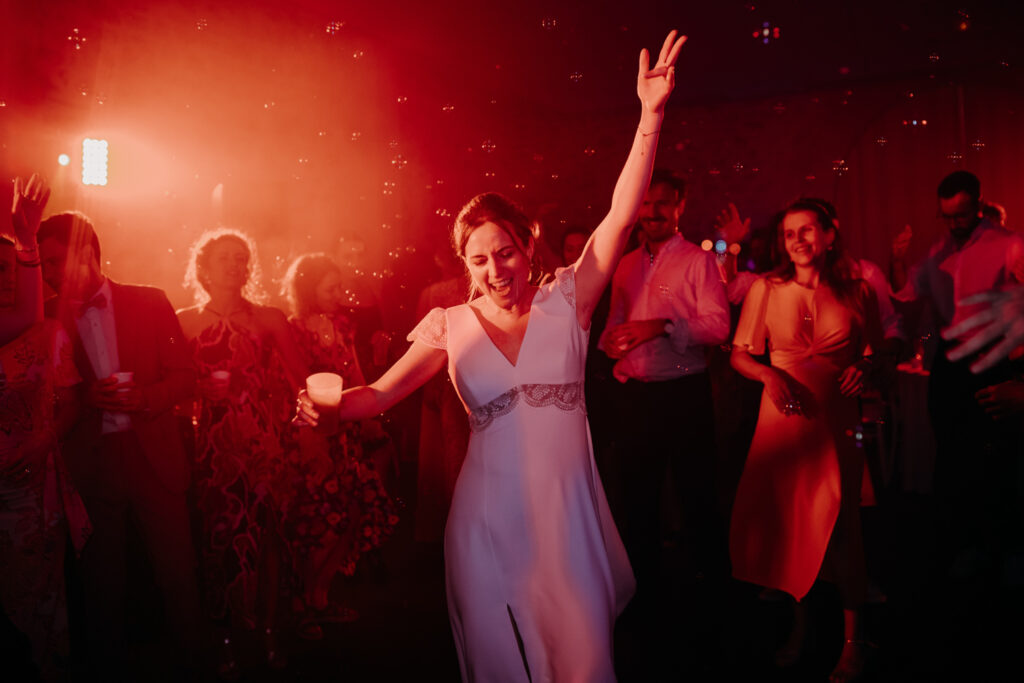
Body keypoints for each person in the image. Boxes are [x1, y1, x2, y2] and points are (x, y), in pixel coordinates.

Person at [296, 30, 686, 681]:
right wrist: (323, 408)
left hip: (565, 519)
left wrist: (650, 116)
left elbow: (620, 215)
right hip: (484, 523)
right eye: (478, 258)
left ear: (527, 245)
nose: (495, 267)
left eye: (504, 250)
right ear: (465, 264)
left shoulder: (570, 298)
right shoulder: (448, 324)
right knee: (501, 661)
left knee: (582, 656)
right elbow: (380, 395)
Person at [37, 211, 202, 681]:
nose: (47, 273)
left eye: (55, 262)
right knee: (100, 584)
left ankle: (194, 665)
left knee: (177, 575)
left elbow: (186, 376)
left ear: (88, 254)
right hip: (90, 463)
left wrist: (146, 397)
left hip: (152, 456)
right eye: (43, 265)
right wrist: (85, 397)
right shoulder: (46, 316)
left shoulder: (150, 302)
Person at [729, 198, 883, 682]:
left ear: (829, 235)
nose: (797, 240)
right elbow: (739, 354)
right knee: (793, 529)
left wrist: (865, 365)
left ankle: (855, 641)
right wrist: (769, 377)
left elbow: (878, 350)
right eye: (789, 233)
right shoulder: (766, 289)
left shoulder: (859, 291)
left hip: (837, 425)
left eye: (808, 230)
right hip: (782, 424)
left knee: (843, 528)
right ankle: (802, 627)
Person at [597, 167, 730, 638]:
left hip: (683, 393)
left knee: (698, 498)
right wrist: (612, 344)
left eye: (661, 203)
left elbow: (719, 327)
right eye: (645, 204)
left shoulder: (699, 261)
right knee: (639, 501)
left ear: (679, 207)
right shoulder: (626, 263)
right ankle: (644, 598)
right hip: (636, 396)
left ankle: (715, 600)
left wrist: (663, 325)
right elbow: (615, 321)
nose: (650, 212)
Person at [177, 228, 309, 676]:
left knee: (269, 537)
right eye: (225, 259)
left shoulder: (269, 319)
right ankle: (226, 636)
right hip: (213, 448)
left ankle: (270, 631)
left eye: (241, 258)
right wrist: (199, 388)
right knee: (219, 541)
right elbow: (173, 391)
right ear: (204, 268)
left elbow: (303, 382)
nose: (236, 265)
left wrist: (315, 432)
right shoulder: (184, 322)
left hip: (264, 443)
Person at [280, 253, 399, 637]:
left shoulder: (343, 324)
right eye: (330, 287)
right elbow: (289, 385)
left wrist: (370, 422)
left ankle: (319, 597)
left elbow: (354, 370)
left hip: (344, 431)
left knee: (349, 512)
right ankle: (303, 602)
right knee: (316, 520)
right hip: (310, 434)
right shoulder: (293, 329)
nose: (338, 294)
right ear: (308, 288)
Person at [1, 178, 91, 682]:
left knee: (41, 604)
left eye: (12, 267)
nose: (6, 277)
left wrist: (42, 437)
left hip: (32, 491)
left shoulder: (47, 332)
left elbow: (73, 402)